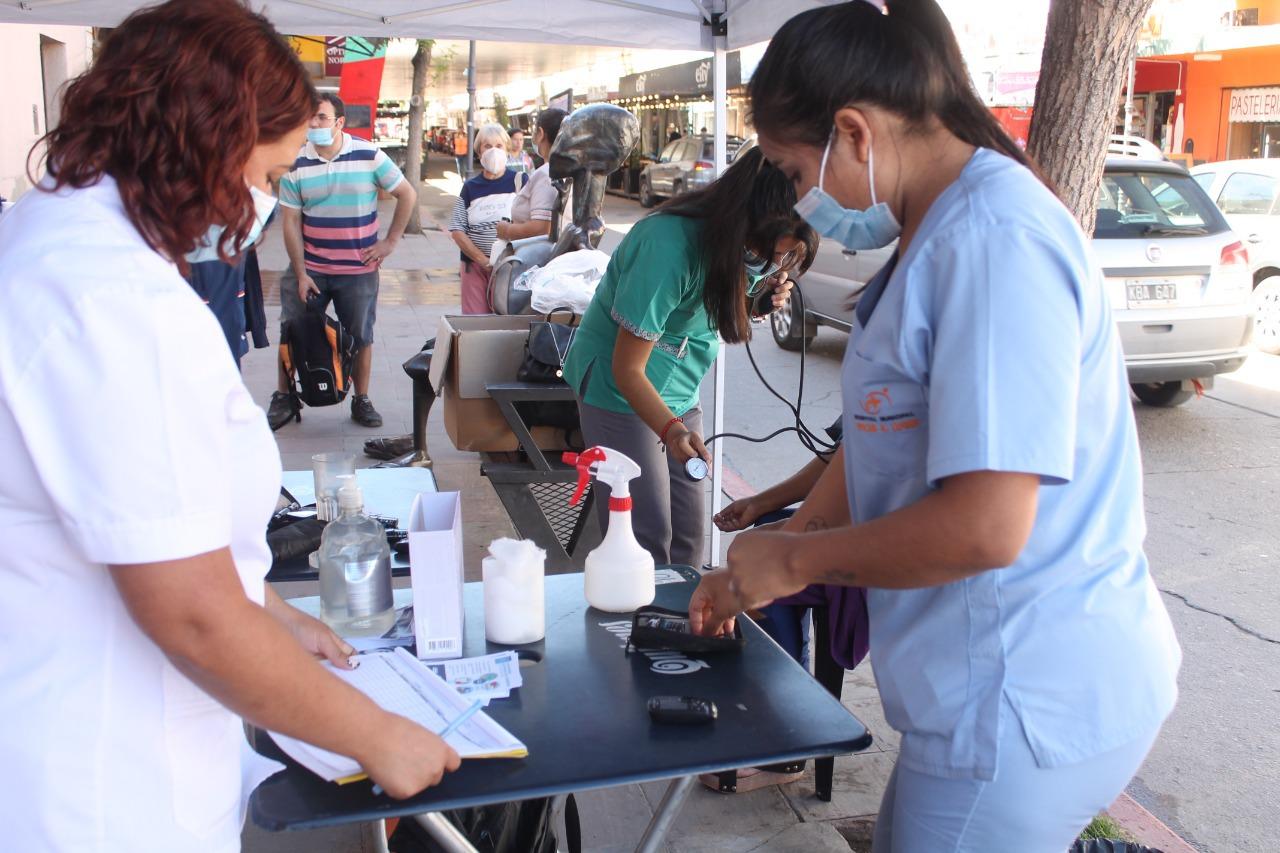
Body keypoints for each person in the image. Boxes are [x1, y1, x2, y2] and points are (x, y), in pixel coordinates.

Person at [689, 3, 1181, 851]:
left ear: (854, 132)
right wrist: (784, 547)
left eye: (794, 170)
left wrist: (796, 558)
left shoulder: (992, 243)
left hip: (1022, 701)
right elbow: (882, 428)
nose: (801, 200)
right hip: (999, 693)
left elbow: (986, 528)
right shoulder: (942, 225)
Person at [0, 3, 458, 851]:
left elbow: (135, 529)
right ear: (207, 140)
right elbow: (195, 616)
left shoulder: (52, 242)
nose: (265, 202)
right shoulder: (111, 299)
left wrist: (275, 621)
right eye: (269, 173)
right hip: (103, 793)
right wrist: (377, 734)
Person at [561, 147, 817, 568]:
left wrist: (758, 302)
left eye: (788, 259)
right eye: (773, 252)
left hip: (679, 387)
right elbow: (627, 369)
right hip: (618, 390)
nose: (775, 266)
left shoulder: (739, 246)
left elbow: (705, 303)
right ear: (745, 221)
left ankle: (681, 623)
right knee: (645, 536)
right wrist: (671, 430)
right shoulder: (667, 247)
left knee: (687, 536)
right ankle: (640, 627)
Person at [267, 93, 417, 431]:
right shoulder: (295, 163)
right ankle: (284, 396)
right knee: (291, 330)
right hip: (311, 270)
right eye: (309, 118)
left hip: (358, 271)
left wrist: (390, 242)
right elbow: (290, 222)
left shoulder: (369, 155)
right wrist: (302, 272)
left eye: (320, 118)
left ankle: (361, 399)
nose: (313, 124)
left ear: (339, 123)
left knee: (360, 335)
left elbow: (407, 193)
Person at [449, 123, 520, 314]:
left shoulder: (520, 182)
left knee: (507, 321)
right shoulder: (470, 187)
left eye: (499, 146)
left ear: (507, 150)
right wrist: (483, 261)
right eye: (487, 146)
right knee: (476, 322)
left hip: (510, 266)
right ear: (479, 152)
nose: (494, 151)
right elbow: (457, 230)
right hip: (475, 267)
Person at [496, 108, 569, 243]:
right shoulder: (570, 170)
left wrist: (506, 230)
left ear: (541, 134)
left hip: (538, 257)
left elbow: (541, 228)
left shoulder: (547, 173)